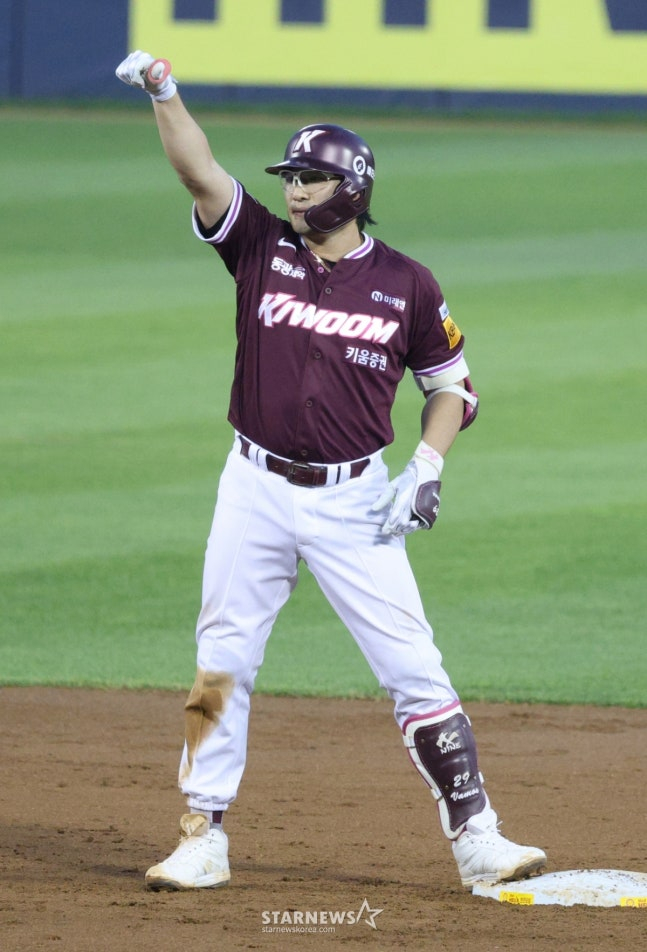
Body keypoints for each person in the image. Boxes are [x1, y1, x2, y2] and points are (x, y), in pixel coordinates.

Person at [116, 51, 547, 892]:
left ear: (351, 187)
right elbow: (198, 172)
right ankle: (202, 833)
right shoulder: (258, 247)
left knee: (413, 667)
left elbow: (451, 388)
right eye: (289, 178)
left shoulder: (406, 285)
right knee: (220, 662)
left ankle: (478, 838)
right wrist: (165, 92)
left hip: (355, 501)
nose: (293, 191)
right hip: (252, 487)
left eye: (309, 178)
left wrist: (425, 465)